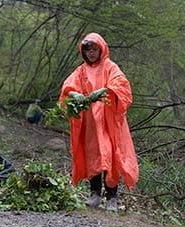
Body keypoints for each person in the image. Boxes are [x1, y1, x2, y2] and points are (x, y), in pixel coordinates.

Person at [59, 33, 139, 212]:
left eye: (95, 49)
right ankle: (95, 193)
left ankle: (112, 197)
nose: (91, 54)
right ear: (83, 52)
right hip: (90, 124)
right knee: (92, 155)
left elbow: (121, 85)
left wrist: (104, 90)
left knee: (111, 156)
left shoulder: (110, 67)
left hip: (108, 122)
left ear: (101, 49)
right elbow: (68, 86)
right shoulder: (81, 70)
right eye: (88, 50)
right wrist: (75, 94)